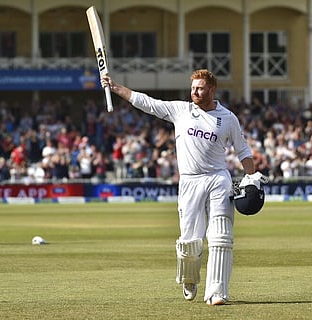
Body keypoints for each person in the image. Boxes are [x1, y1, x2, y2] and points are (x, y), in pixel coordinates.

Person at [101, 69, 264, 306]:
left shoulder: (228, 118)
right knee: (190, 240)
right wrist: (116, 88)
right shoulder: (181, 110)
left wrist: (253, 177)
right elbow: (147, 103)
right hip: (189, 181)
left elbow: (243, 150)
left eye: (199, 88)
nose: (194, 93)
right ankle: (190, 277)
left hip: (218, 178)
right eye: (192, 88)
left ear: (212, 89)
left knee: (221, 235)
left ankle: (217, 293)